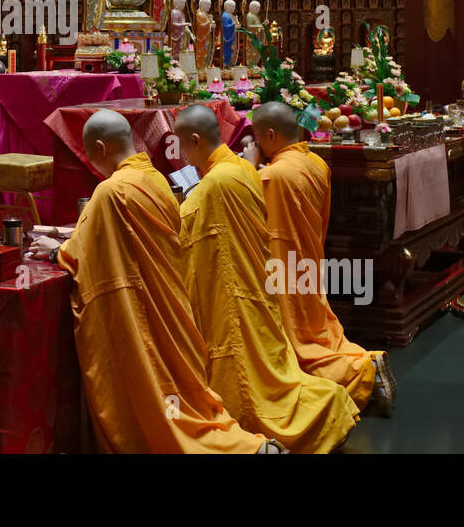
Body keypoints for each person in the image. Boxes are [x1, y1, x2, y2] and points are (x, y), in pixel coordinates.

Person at [28, 109, 280, 453]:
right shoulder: (158, 179)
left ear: (100, 148)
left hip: (142, 316)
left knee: (158, 401)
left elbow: (82, 254)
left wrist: (55, 252)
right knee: (185, 396)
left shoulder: (111, 192)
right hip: (173, 313)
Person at [173, 105, 359, 452]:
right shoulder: (244, 167)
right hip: (262, 287)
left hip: (233, 294)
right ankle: (328, 401)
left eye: (182, 146)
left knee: (252, 384)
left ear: (195, 141)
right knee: (273, 367)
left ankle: (284, 432)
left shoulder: (213, 184)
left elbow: (180, 235)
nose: (182, 154)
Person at [247, 102, 394, 414]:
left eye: (258, 139)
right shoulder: (316, 162)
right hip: (310, 261)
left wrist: (249, 170)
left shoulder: (272, 176)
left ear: (270, 135)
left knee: (298, 346)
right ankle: (361, 362)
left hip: (282, 270)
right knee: (317, 330)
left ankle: (361, 370)